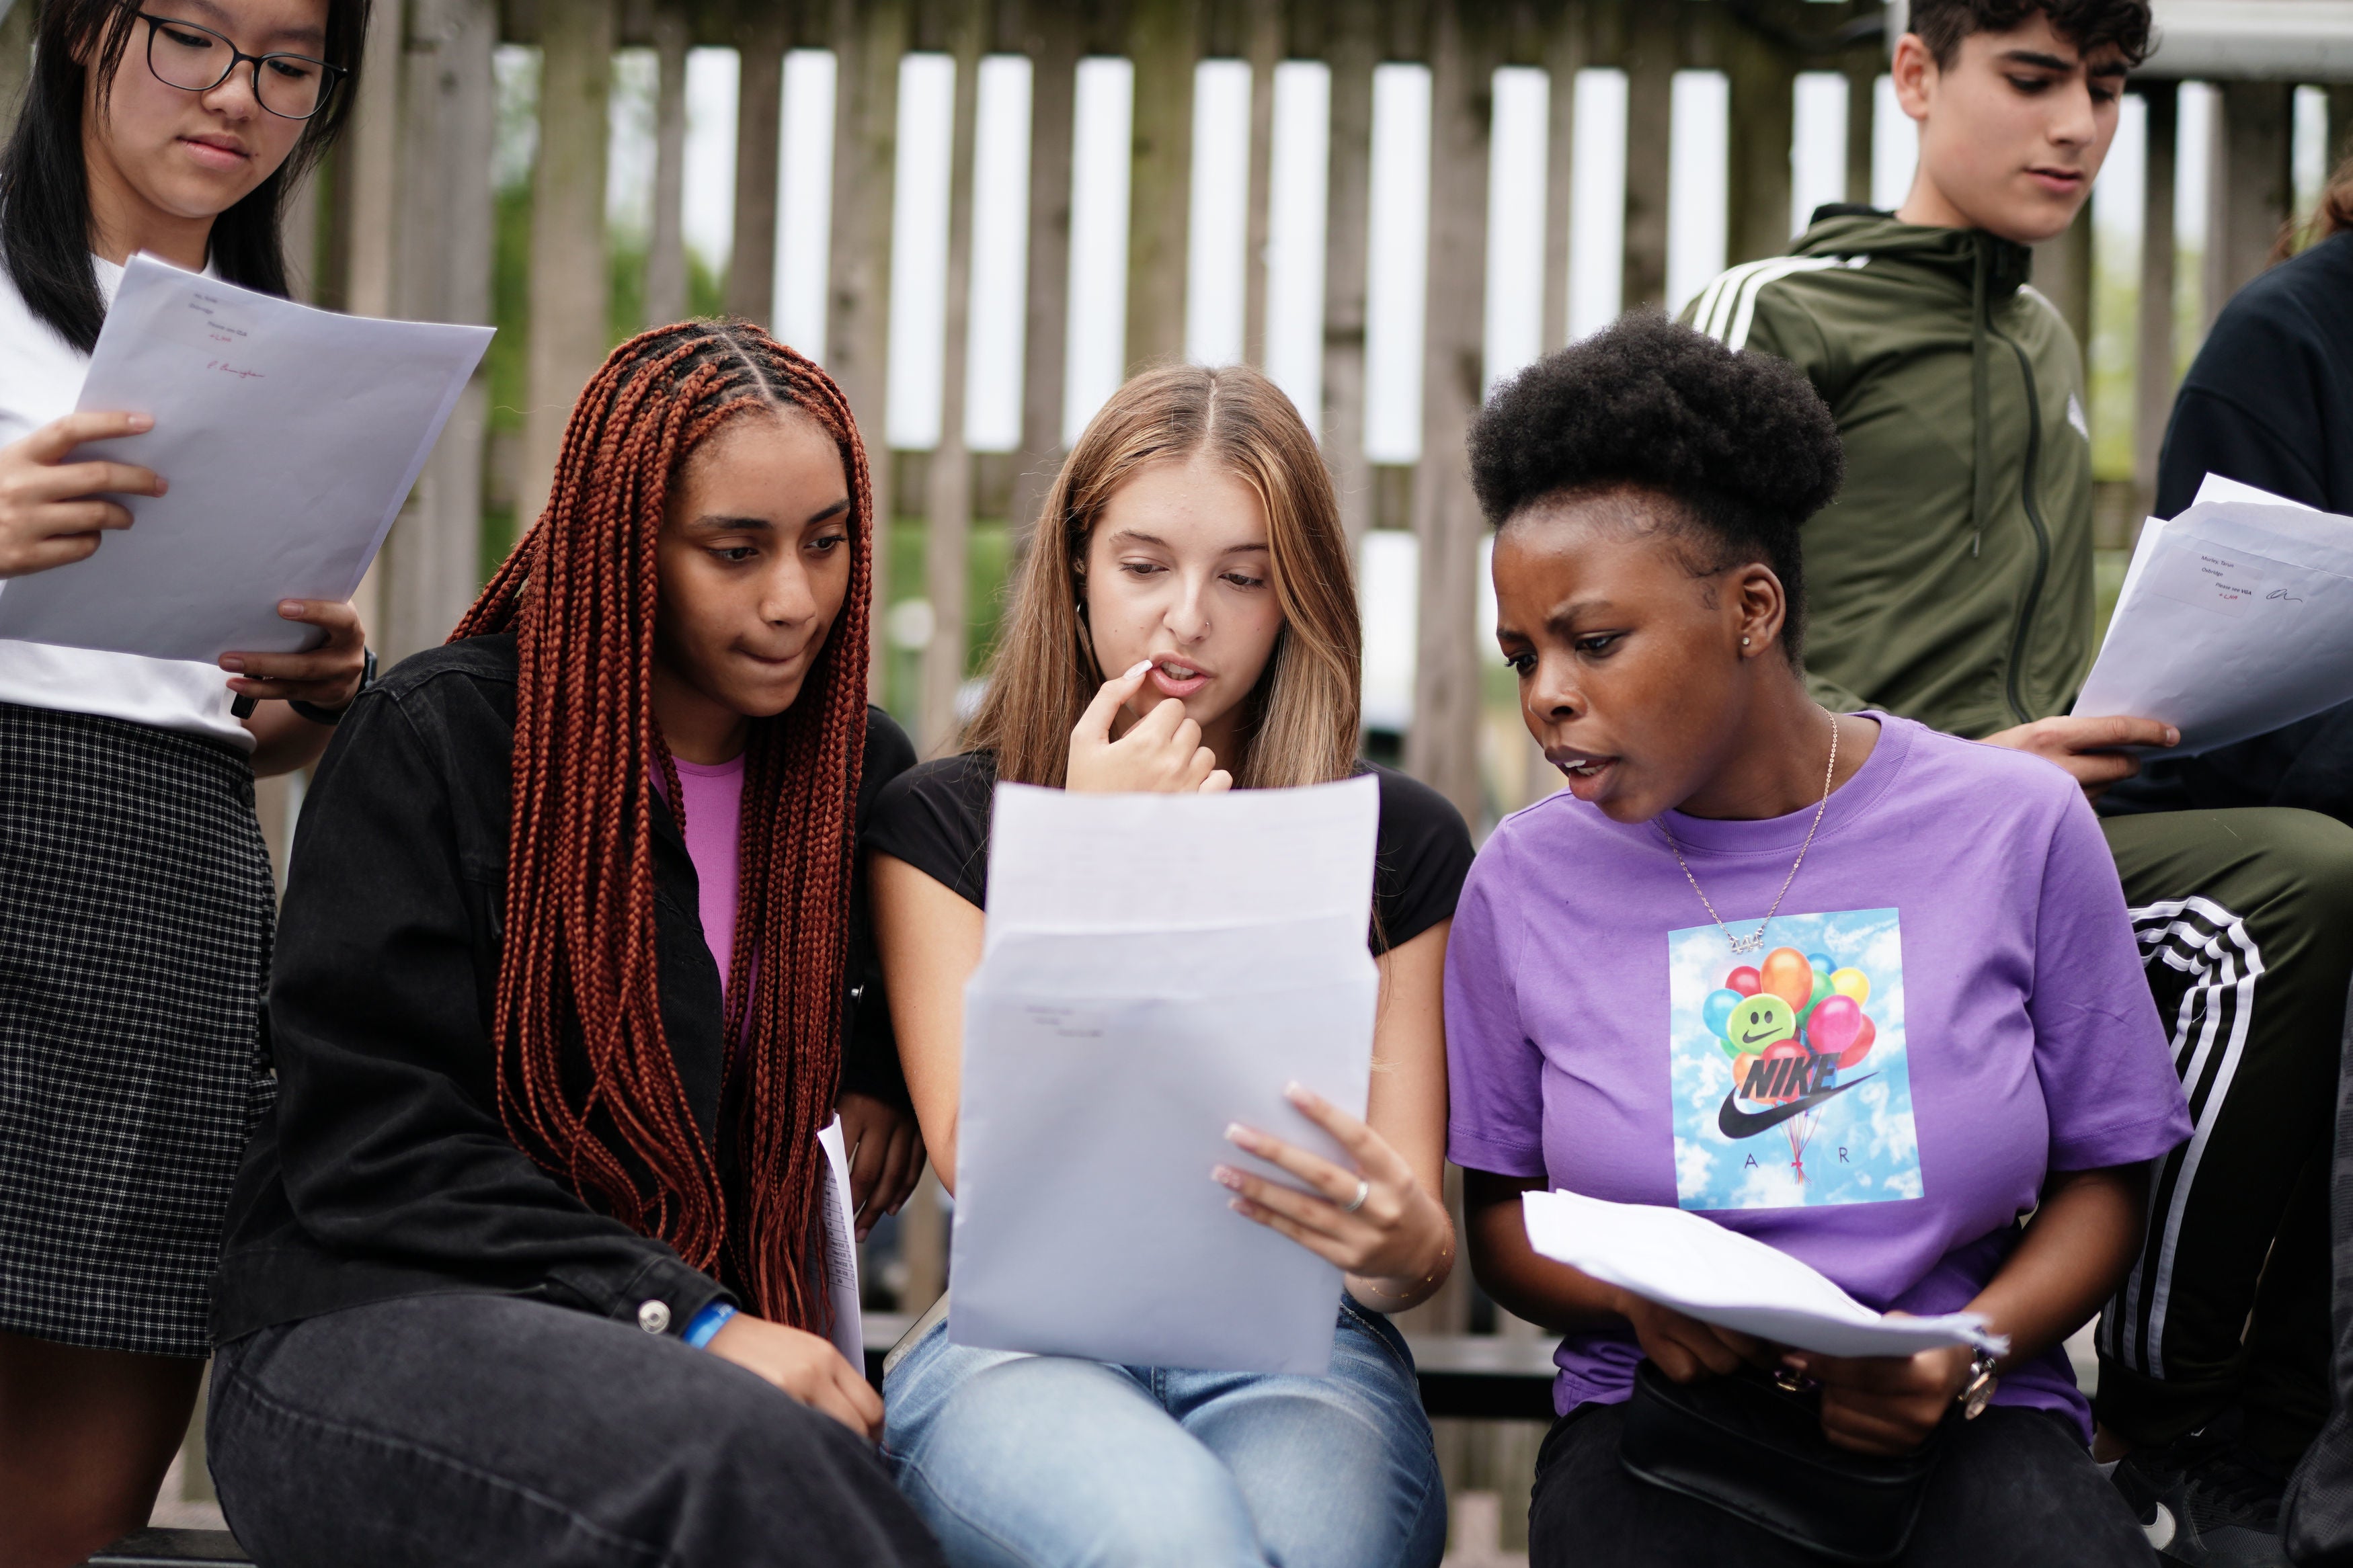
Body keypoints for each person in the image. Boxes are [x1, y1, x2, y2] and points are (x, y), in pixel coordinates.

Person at [1678, 2, 2353, 1557]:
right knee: (2298, 880)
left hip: (2027, 832)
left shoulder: (2039, 345)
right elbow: (1656, 641)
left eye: (2106, 91)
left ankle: (2172, 1409)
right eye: (2033, 81)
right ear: (1914, 78)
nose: (2076, 129)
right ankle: (2163, 1400)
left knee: (2299, 855)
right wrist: (1951, 769)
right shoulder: (1779, 315)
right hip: (1813, 864)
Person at [1453, 312, 2189, 1567]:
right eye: (1523, 656)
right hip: (1663, 1426)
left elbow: (2110, 1172)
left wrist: (1974, 1345)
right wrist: (1631, 1299)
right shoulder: (1524, 879)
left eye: (1594, 641)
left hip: (1971, 1413)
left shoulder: (2013, 823)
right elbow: (1499, 1218)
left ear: (1751, 608)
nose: (1546, 698)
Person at [202, 321, 942, 1568]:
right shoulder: (440, 741)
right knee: (737, 1469)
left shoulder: (852, 778)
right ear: (625, 550)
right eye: (734, 550)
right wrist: (690, 1320)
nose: (796, 598)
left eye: (828, 542)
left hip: (690, 1355)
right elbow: (376, 1144)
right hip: (372, 1328)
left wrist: (879, 1063)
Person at [865, 363, 1469, 1568]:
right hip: (1022, 1342)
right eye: (1145, 567)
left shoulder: (1393, 843)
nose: (1187, 616)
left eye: (1243, 577)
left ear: (1295, 595)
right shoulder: (940, 824)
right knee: (1173, 1544)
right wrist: (1098, 853)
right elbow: (986, 1161)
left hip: (1307, 1346)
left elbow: (1407, 1247)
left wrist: (1409, 1242)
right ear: (1078, 567)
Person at [0, 3, 375, 1560]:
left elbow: (217, 714)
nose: (239, 94)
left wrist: (313, 698)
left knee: (73, 1498)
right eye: (195, 38)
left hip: (172, 901)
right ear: (87, 27)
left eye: (289, 64)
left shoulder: (291, 360)